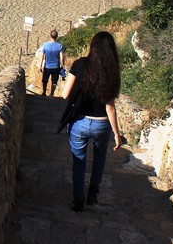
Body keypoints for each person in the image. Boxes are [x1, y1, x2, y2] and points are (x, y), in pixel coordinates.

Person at [58, 31, 122, 211]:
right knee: (100, 157)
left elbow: (65, 94)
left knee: (79, 161)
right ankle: (93, 191)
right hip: (102, 123)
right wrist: (117, 134)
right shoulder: (112, 72)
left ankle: (78, 201)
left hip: (80, 122)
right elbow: (110, 107)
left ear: (92, 47)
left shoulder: (80, 64)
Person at [38, 30, 64, 96]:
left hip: (47, 67)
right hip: (56, 67)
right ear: (57, 37)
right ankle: (51, 94)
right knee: (54, 81)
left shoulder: (45, 45)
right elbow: (62, 57)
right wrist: (62, 66)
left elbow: (42, 56)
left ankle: (44, 92)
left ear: (50, 36)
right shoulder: (59, 46)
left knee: (45, 80)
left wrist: (40, 66)